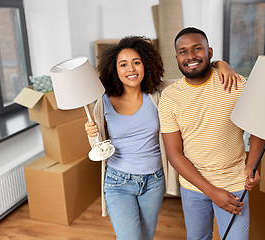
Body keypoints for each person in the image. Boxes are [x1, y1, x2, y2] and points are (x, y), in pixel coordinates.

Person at [84, 36, 240, 240]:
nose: (131, 69)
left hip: (153, 181)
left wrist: (221, 65)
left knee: (146, 237)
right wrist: (92, 134)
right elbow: (98, 147)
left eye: (136, 62)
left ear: (146, 65)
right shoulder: (103, 102)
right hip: (118, 181)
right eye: (123, 64)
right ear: (115, 69)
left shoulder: (159, 92)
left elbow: (193, 73)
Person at [158, 27, 265, 240]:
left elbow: (259, 130)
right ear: (177, 57)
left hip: (234, 183)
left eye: (197, 49)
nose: (190, 56)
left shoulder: (235, 83)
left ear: (209, 52)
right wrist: (211, 191)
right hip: (193, 186)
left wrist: (251, 166)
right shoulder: (170, 97)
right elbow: (174, 154)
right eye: (183, 51)